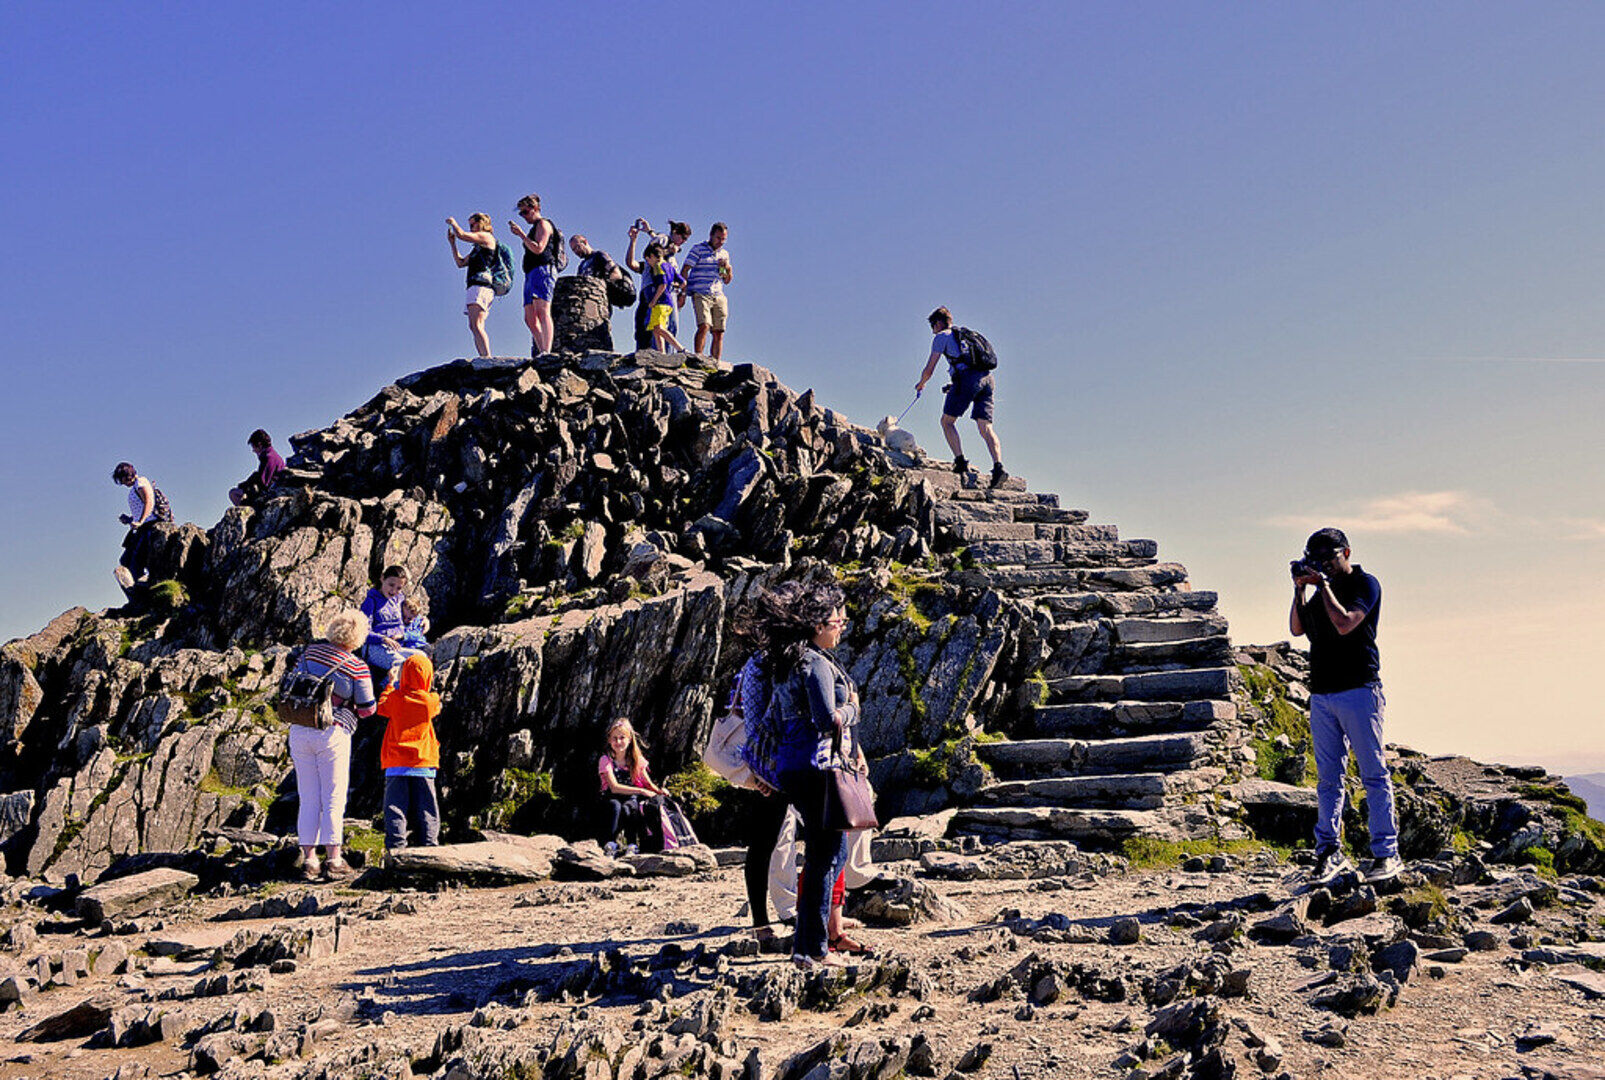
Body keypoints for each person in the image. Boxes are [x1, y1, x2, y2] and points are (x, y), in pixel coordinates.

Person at [747, 579, 863, 969]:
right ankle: (814, 949)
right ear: (817, 625)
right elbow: (826, 720)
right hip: (817, 769)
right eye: (836, 620)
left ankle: (807, 946)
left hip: (792, 767)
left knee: (829, 852)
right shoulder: (815, 663)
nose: (841, 625)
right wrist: (853, 709)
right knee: (823, 856)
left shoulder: (790, 661)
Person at [1289, 527, 1402, 884]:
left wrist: (1322, 586)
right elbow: (1297, 629)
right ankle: (1328, 853)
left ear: (1347, 552)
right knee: (1328, 779)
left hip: (1359, 689)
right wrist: (1299, 589)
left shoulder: (1364, 584)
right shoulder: (1320, 590)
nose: (1324, 565)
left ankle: (1386, 853)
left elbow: (1344, 624)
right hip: (1322, 693)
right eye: (1316, 559)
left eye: (1329, 558)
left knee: (1373, 774)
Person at [287, 608, 377, 880]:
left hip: (300, 729)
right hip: (332, 733)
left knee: (308, 797)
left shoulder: (308, 653)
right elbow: (367, 708)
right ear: (358, 636)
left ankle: (310, 860)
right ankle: (334, 859)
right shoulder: (356, 666)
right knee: (333, 797)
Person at [915, 307, 1006, 487]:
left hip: (967, 380)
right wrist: (955, 385)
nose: (932, 330)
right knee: (986, 427)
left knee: (947, 422)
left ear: (938, 323)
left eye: (932, 326)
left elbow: (929, 369)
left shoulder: (941, 337)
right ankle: (998, 468)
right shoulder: (966, 336)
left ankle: (960, 462)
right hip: (987, 379)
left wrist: (921, 383)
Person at [376, 653, 442, 852]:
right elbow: (437, 706)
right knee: (427, 808)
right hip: (423, 762)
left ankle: (395, 848)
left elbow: (381, 706)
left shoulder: (395, 698)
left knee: (395, 808)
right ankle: (430, 847)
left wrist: (390, 684)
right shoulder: (430, 701)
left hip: (396, 763)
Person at [597, 717, 666, 856]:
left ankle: (632, 844)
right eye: (614, 738)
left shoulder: (636, 760)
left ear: (629, 739)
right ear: (609, 740)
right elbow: (614, 787)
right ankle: (610, 843)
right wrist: (641, 791)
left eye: (622, 738)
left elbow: (647, 783)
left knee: (630, 808)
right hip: (611, 796)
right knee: (615, 807)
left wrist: (659, 791)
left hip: (630, 797)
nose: (618, 742)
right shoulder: (606, 760)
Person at [626, 220, 690, 350]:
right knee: (659, 326)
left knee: (660, 326)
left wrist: (650, 232)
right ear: (675, 232)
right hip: (658, 291)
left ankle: (664, 353)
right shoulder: (655, 259)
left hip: (664, 292)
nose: (683, 242)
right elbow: (652, 252)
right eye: (683, 238)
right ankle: (670, 352)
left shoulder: (666, 262)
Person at [111, 462, 173, 595]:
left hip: (148, 527)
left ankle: (143, 591)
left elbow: (149, 501)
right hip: (143, 527)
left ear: (126, 476)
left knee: (135, 563)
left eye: (121, 479)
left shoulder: (140, 482)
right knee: (126, 561)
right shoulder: (136, 486)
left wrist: (140, 521)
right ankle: (139, 590)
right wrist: (130, 519)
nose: (122, 483)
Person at [360, 565, 425, 691]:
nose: (394, 590)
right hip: (374, 647)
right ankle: (383, 692)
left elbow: (410, 611)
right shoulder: (371, 601)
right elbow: (362, 631)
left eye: (399, 588)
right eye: (391, 585)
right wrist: (383, 639)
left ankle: (407, 692)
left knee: (421, 658)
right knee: (402, 664)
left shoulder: (399, 599)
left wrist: (423, 620)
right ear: (382, 578)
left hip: (394, 646)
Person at [508, 194, 557, 355]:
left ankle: (546, 351)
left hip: (543, 269)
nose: (523, 216)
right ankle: (542, 349)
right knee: (529, 318)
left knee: (542, 310)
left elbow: (538, 248)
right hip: (531, 272)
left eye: (525, 212)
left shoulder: (543, 224)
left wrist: (521, 235)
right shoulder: (534, 227)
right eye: (521, 213)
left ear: (535, 208)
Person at [678, 222, 733, 359]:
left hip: (718, 294)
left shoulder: (724, 254)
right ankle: (699, 357)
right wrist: (683, 292)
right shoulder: (698, 249)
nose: (721, 242)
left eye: (723, 239)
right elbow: (685, 270)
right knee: (704, 325)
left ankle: (715, 362)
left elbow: (726, 279)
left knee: (719, 331)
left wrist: (727, 268)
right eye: (718, 238)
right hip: (700, 292)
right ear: (711, 235)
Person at [447, 213, 499, 358]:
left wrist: (453, 223)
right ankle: (483, 356)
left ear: (481, 223)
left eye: (472, 224)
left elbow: (462, 235)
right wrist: (452, 244)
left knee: (477, 324)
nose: (471, 228)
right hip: (475, 286)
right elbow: (461, 263)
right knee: (474, 325)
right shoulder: (477, 248)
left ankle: (487, 356)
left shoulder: (486, 237)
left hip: (481, 286)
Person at [641, 243, 684, 353]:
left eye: (648, 259)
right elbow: (683, 282)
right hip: (668, 302)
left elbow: (662, 285)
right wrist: (674, 286)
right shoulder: (669, 266)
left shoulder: (658, 267)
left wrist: (653, 300)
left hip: (660, 302)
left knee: (659, 328)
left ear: (652, 256)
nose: (648, 263)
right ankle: (662, 352)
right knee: (656, 328)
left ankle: (680, 348)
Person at [229, 430, 285, 507]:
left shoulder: (269, 457)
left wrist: (245, 487)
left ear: (260, 445)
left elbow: (262, 482)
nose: (253, 450)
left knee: (233, 493)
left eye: (253, 447)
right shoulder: (272, 455)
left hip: (270, 493)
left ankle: (248, 512)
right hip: (270, 490)